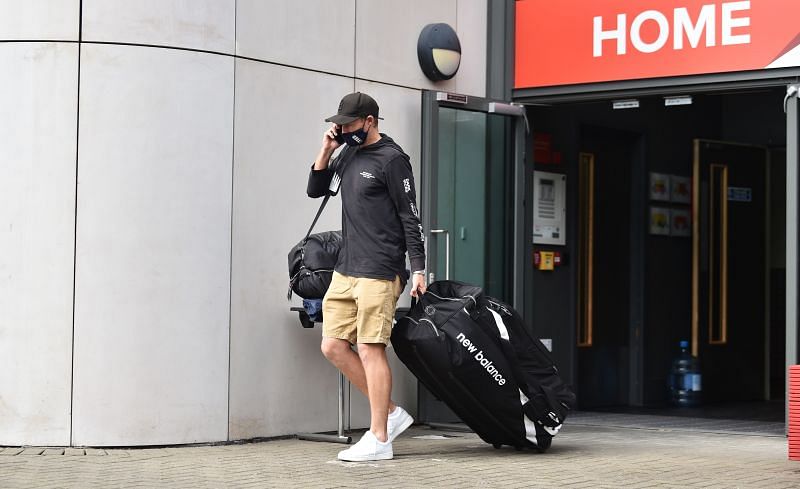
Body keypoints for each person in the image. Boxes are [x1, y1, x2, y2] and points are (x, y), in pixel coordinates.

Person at [306, 92, 427, 462]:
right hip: (347, 266)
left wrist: (419, 268)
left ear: (369, 122)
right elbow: (315, 190)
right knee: (333, 345)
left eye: (348, 123)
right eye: (338, 123)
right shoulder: (348, 152)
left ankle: (379, 439)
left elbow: (410, 216)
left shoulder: (393, 160)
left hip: (380, 268)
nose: (341, 128)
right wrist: (327, 149)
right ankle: (391, 413)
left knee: (370, 347)